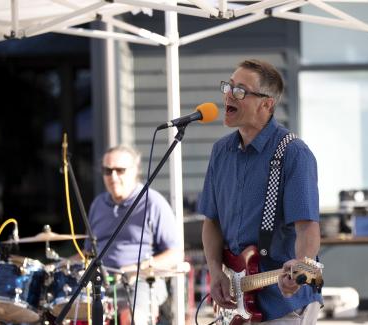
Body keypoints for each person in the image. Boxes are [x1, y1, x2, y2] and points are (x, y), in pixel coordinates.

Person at [198, 59, 323, 325]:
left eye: (241, 90)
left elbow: (307, 228)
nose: (229, 94)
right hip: (237, 303)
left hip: (284, 304)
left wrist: (302, 271)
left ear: (266, 104)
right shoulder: (220, 152)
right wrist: (214, 270)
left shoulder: (293, 153)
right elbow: (212, 221)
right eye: (229, 86)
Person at [85, 145, 182, 325]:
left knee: (132, 318)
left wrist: (137, 267)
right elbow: (87, 254)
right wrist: (61, 264)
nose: (113, 177)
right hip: (101, 282)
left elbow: (176, 254)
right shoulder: (97, 204)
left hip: (142, 281)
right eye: (107, 171)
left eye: (120, 170)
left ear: (136, 170)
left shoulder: (153, 202)